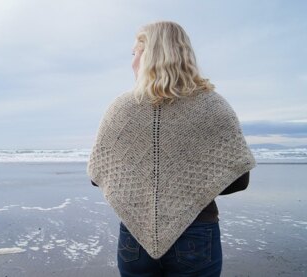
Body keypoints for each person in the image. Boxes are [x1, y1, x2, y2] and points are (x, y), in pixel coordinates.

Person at [86, 21, 257, 277]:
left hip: (135, 235)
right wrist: (187, 191)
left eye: (135, 53)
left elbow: (97, 177)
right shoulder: (215, 106)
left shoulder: (120, 109)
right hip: (197, 232)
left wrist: (147, 188)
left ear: (150, 56)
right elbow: (238, 181)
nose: (132, 62)